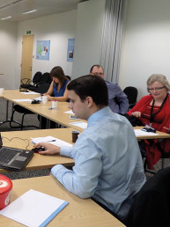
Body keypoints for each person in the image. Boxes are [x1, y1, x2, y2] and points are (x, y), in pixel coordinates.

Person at [33, 75, 146, 220]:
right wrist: (60, 149)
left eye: (72, 101)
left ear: (88, 101)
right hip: (134, 204)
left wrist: (56, 168)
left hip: (108, 210)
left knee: (53, 186)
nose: (69, 105)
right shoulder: (123, 121)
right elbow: (103, 153)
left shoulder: (90, 137)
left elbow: (83, 189)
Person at [127, 74, 170, 170]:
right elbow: (130, 113)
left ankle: (135, 175)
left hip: (160, 139)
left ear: (166, 88)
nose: (154, 92)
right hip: (142, 134)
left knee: (132, 148)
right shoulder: (146, 99)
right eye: (151, 89)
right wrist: (135, 114)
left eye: (157, 88)